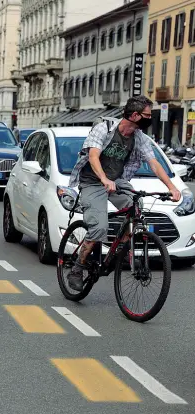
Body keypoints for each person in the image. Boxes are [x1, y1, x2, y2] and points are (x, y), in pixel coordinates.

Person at [67, 95, 181, 291]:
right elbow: (93, 155)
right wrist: (103, 178)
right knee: (100, 228)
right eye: (147, 114)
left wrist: (171, 187)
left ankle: (121, 249)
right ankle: (77, 268)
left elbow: (154, 164)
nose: (149, 118)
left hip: (117, 181)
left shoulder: (140, 138)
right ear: (135, 115)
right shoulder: (105, 128)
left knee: (135, 206)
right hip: (93, 181)